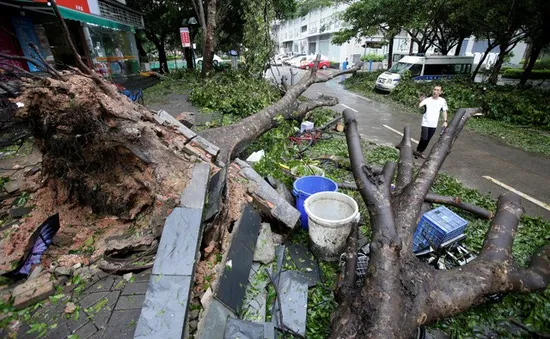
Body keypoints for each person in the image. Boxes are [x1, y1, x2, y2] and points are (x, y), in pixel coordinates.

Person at [414, 85, 448, 158]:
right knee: (424, 138)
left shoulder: (442, 101)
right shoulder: (427, 100)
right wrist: (419, 101)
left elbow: (444, 111)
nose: (435, 91)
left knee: (428, 139)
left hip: (434, 124)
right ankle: (418, 150)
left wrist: (445, 121)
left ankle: (420, 151)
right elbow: (419, 107)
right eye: (434, 89)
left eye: (437, 90)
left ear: (441, 92)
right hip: (425, 122)